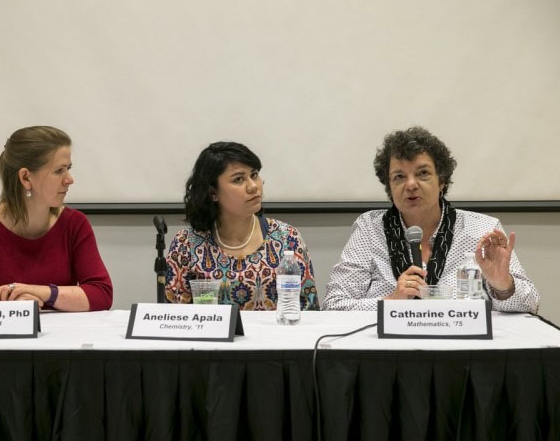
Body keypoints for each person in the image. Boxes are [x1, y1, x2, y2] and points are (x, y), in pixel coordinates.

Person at [323, 126, 540, 312]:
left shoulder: (483, 230)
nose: (410, 185)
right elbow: (334, 305)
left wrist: (502, 284)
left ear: (442, 181)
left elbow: (530, 305)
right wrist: (390, 302)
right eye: (399, 177)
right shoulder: (370, 228)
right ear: (389, 186)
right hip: (387, 352)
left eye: (423, 173)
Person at [0, 126, 113, 311]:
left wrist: (39, 292)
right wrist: (8, 303)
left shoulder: (74, 223)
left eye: (68, 169)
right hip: (3, 336)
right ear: (26, 178)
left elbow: (101, 294)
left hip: (62, 337)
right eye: (59, 170)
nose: (69, 179)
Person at [165, 141, 319, 310]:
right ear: (213, 193)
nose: (253, 186)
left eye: (254, 175)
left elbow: (309, 310)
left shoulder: (287, 238)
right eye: (238, 179)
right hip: (214, 336)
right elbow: (174, 318)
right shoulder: (186, 245)